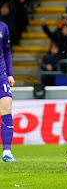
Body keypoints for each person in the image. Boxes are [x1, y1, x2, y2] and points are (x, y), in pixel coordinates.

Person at [0, 21, 17, 162]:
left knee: (7, 105)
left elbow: (6, 51)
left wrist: (9, 74)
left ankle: (7, 152)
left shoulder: (3, 27)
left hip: (1, 75)